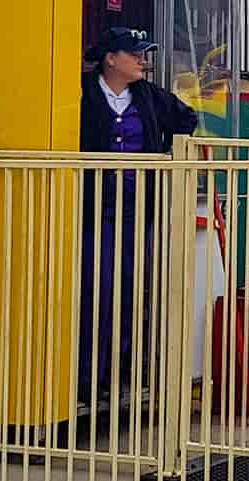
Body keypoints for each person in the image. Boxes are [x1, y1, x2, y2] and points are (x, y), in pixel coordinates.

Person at [77, 27, 197, 406]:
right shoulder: (82, 91)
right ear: (111, 59)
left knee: (129, 291)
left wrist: (162, 154)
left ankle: (117, 373)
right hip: (93, 210)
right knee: (95, 290)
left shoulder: (147, 95)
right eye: (135, 54)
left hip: (136, 211)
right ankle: (85, 376)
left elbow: (186, 120)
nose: (142, 61)